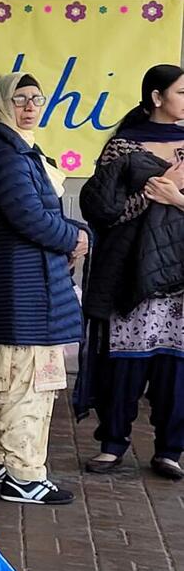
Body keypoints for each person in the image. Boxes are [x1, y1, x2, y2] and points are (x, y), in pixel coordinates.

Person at [0, 72, 86, 505]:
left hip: (7, 278)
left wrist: (73, 233)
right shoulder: (8, 154)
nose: (30, 107)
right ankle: (24, 476)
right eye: (19, 98)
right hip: (22, 285)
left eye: (37, 98)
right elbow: (27, 217)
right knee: (29, 383)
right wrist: (76, 238)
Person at [78, 63, 184, 480]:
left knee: (175, 362)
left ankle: (170, 449)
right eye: (181, 92)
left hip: (180, 274)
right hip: (130, 269)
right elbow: (103, 210)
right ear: (156, 97)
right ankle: (112, 443)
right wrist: (150, 191)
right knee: (125, 359)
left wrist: (176, 198)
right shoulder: (122, 146)